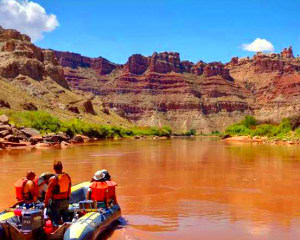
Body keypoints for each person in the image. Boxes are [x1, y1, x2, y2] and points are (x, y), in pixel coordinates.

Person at [44, 160, 71, 226]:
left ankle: (55, 232)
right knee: (66, 219)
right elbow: (69, 190)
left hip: (56, 203)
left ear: (54, 169)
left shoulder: (53, 179)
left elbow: (48, 193)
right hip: (66, 201)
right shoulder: (67, 176)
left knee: (54, 219)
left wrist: (45, 203)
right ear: (62, 167)